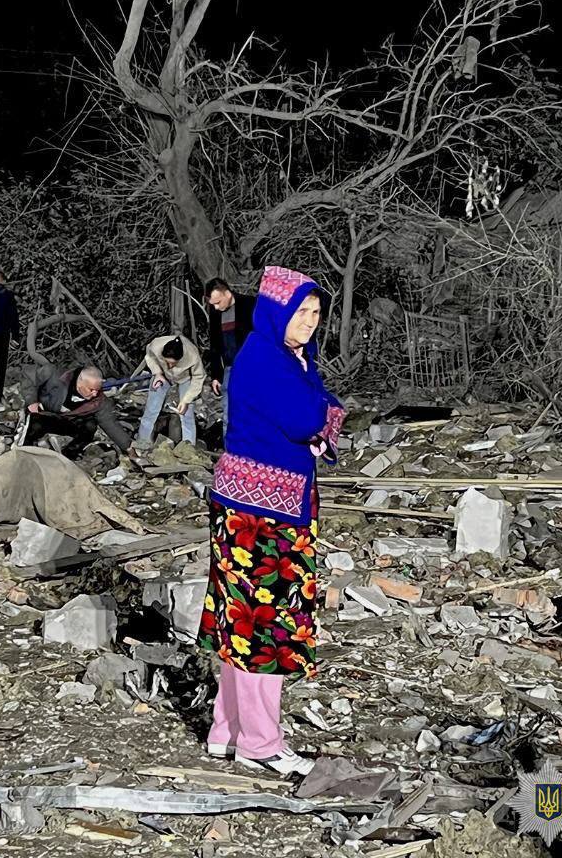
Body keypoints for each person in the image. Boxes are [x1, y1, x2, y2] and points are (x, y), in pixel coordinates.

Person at [198, 266, 344, 777]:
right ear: (276, 312)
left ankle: (228, 731)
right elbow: (310, 418)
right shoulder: (267, 358)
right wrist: (322, 411)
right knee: (267, 624)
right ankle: (261, 743)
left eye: (316, 313)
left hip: (250, 502)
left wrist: (320, 406)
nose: (309, 322)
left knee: (240, 619)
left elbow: (320, 411)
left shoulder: (283, 357)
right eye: (300, 312)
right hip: (264, 512)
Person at [23, 362, 135, 460]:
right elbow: (29, 378)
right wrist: (31, 401)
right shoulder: (54, 374)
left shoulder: (99, 401)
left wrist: (128, 448)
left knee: (90, 426)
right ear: (80, 382)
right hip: (44, 416)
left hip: (68, 422)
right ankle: (24, 451)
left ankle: (67, 456)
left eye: (97, 390)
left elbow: (111, 424)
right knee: (34, 424)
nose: (94, 394)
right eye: (91, 390)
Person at [204, 277, 255, 433]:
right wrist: (216, 375)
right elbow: (215, 345)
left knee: (253, 412)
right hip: (230, 368)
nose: (216, 307)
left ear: (227, 293)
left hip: (252, 367)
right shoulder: (215, 313)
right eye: (213, 304)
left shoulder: (250, 305)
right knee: (228, 415)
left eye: (218, 302)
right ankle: (229, 447)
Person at [136, 335, 205, 447]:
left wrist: (186, 400)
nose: (170, 366)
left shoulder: (192, 355)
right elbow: (149, 356)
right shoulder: (156, 345)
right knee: (151, 409)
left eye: (173, 363)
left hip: (184, 378)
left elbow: (199, 377)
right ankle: (142, 442)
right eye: (167, 362)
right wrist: (157, 372)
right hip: (162, 375)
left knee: (186, 413)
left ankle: (188, 447)